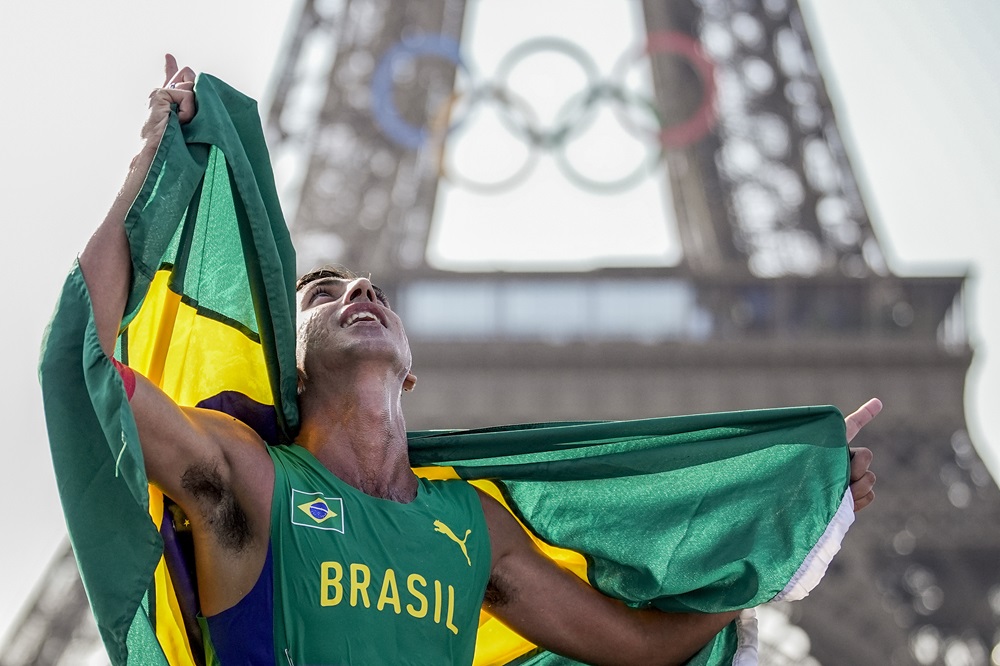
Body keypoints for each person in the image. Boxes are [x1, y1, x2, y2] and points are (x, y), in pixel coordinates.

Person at [76, 55, 879, 665]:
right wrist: (148, 172)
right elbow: (93, 368)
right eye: (323, 293)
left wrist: (786, 534)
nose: (359, 287)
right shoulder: (250, 477)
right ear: (291, 364)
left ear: (410, 368)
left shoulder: (471, 526)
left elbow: (640, 649)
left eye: (375, 291)